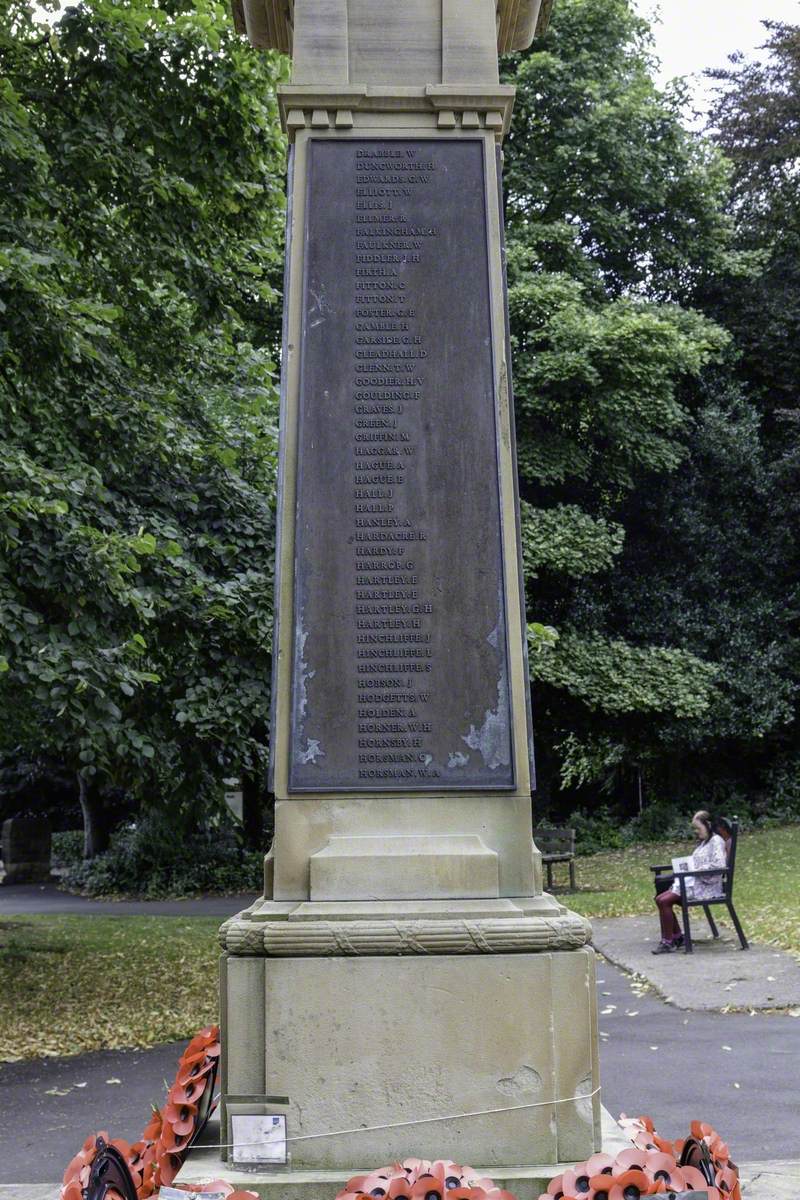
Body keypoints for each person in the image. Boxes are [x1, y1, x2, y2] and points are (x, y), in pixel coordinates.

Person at [652, 810, 727, 954]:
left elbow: (719, 865)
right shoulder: (705, 843)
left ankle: (668, 942)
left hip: (706, 887)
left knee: (664, 901)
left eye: (699, 828)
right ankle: (677, 937)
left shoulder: (716, 841)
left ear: (708, 825)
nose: (697, 832)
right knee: (659, 899)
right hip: (695, 882)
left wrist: (695, 868)